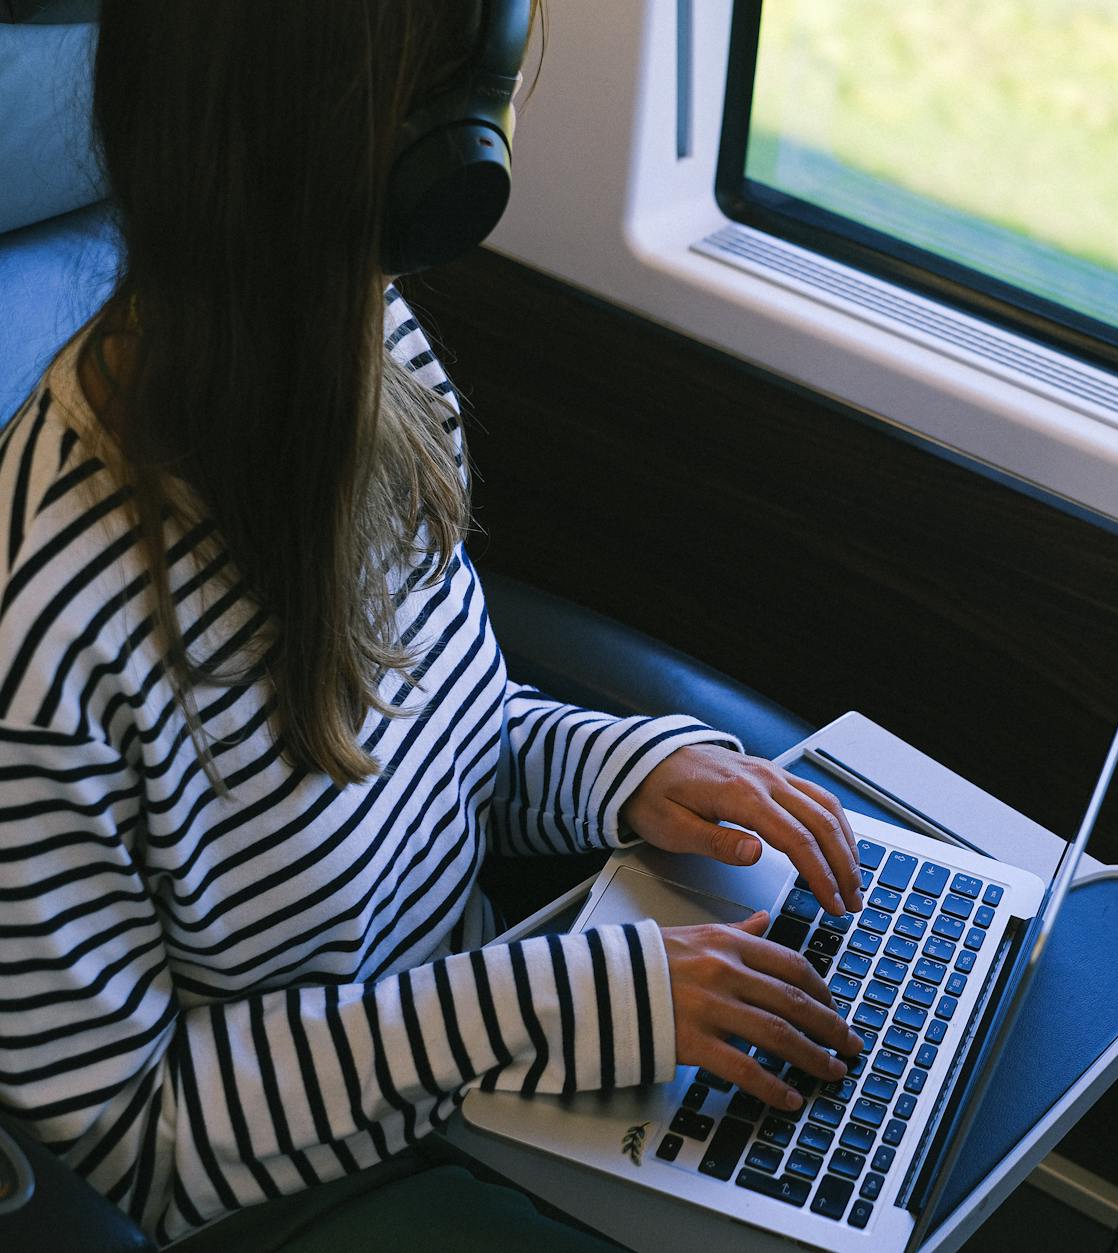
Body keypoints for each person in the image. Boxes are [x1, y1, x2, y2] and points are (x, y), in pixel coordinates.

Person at [0, 2, 865, 1247]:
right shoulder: (47, 636)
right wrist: (564, 1001)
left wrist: (629, 772)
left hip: (480, 1059)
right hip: (296, 1193)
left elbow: (434, 749)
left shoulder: (377, 359)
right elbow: (137, 1136)